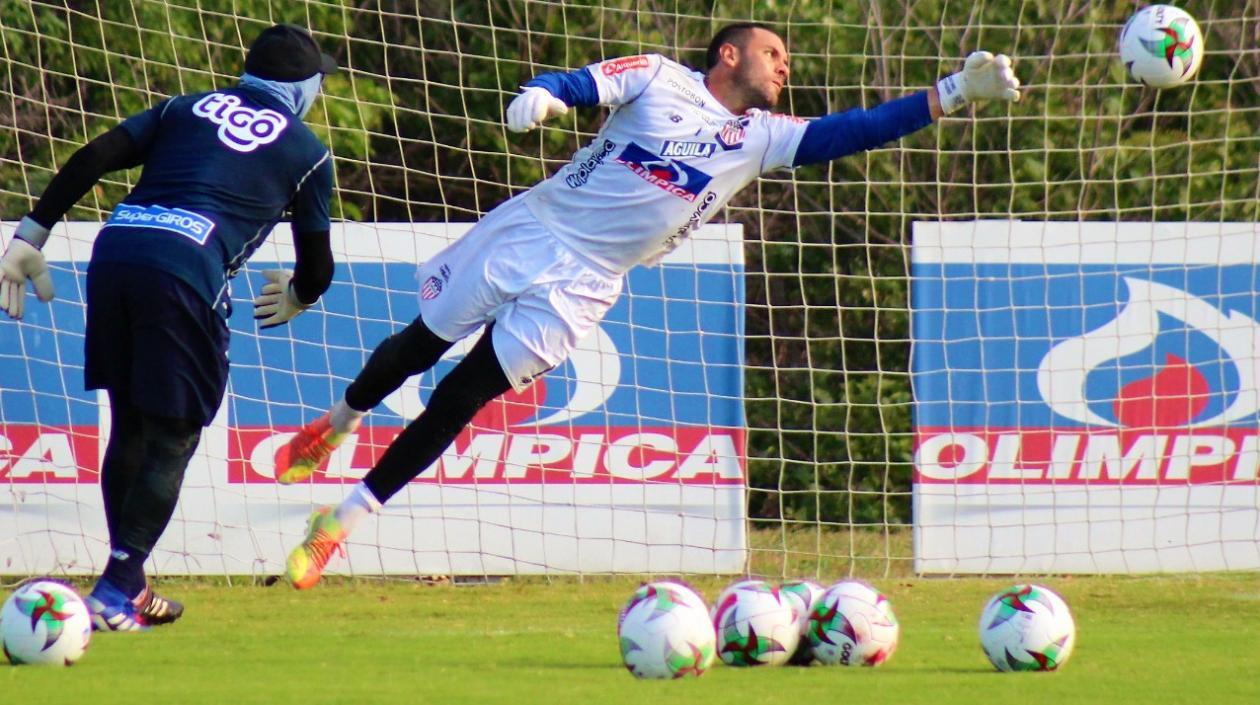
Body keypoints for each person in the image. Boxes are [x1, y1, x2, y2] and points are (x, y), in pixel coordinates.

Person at [273, 22, 1020, 589]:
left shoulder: (761, 138)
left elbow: (849, 132)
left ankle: (338, 520)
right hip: (535, 231)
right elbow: (583, 82)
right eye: (775, 54)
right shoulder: (660, 77)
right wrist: (543, 94)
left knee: (460, 398)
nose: (786, 68)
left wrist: (952, 92)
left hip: (587, 283)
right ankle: (339, 421)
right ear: (730, 55)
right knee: (416, 350)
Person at [0, 24, 339, 629]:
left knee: (130, 425)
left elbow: (95, 155)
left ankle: (127, 582)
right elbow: (318, 266)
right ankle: (116, 587)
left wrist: (31, 234)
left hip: (117, 251)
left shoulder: (187, 108)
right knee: (174, 434)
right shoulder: (307, 151)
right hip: (185, 267)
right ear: (305, 88)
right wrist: (299, 296)